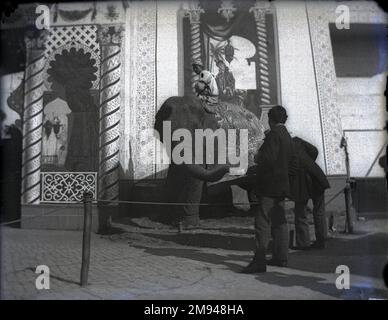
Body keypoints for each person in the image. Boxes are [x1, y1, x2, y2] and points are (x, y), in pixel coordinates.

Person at [241, 106, 296, 273]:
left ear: (270, 120)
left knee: (262, 222)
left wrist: (257, 157)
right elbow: (294, 163)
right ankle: (281, 258)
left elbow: (268, 159)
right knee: (280, 221)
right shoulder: (287, 136)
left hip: (269, 186)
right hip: (281, 186)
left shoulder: (273, 135)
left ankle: (259, 262)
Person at [291, 137, 330, 250]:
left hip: (302, 181)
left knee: (300, 212)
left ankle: (303, 243)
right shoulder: (297, 141)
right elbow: (314, 150)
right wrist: (308, 161)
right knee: (319, 211)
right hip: (316, 176)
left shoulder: (284, 146)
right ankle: (321, 241)